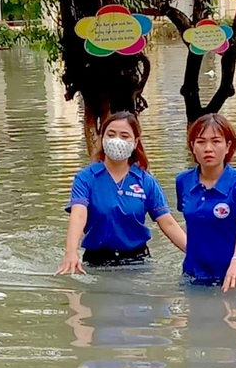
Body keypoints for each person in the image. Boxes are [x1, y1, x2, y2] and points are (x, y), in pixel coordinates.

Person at [57, 111, 186, 274]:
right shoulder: (86, 178)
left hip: (138, 262)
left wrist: (195, 254)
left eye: (124, 136)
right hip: (96, 262)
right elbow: (78, 215)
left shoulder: (145, 181)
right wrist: (71, 252)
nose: (117, 140)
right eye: (111, 134)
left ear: (135, 142)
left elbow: (168, 223)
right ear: (102, 138)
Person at [175, 113, 236, 292]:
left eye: (216, 141)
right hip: (193, 276)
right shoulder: (183, 181)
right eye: (201, 142)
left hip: (235, 276)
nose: (208, 148)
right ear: (192, 146)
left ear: (228, 146)